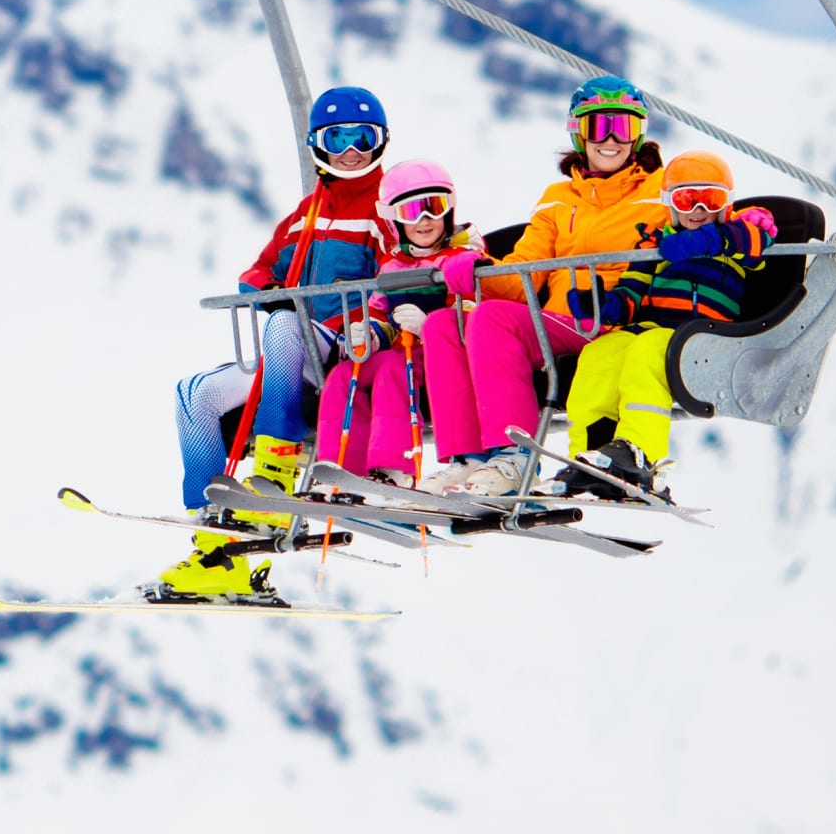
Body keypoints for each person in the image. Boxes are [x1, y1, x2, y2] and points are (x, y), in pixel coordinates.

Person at [151, 86, 394, 603]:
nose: (350, 149)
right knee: (195, 393)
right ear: (318, 146)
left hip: (342, 351)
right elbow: (260, 270)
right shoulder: (308, 212)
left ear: (381, 143)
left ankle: (274, 476)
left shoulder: (384, 209)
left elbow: (399, 277)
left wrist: (368, 322)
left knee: (284, 327)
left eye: (362, 137)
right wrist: (263, 289)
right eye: (337, 137)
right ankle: (213, 533)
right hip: (291, 352)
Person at [419, 75, 670, 496]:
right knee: (447, 324)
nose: (611, 139)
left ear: (639, 134)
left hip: (612, 320)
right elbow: (524, 274)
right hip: (560, 322)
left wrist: (749, 223)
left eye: (622, 127)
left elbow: (703, 207)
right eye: (597, 126)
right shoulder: (558, 197)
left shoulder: (659, 190)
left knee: (493, 318)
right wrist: (479, 270)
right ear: (577, 131)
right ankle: (470, 459)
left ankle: (516, 457)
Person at [549, 150, 776, 501]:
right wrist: (602, 309)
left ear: (726, 204)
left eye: (709, 199)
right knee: (599, 355)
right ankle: (592, 455)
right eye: (686, 200)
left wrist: (710, 241)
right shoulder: (655, 245)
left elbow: (760, 243)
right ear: (670, 204)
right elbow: (631, 295)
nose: (698, 211)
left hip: (707, 337)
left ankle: (639, 452)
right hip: (654, 328)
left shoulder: (738, 236)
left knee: (648, 351)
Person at [315, 159, 485, 479]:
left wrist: (431, 324)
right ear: (394, 221)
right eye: (411, 211)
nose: (424, 219)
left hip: (443, 356)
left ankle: (393, 466)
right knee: (344, 374)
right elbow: (381, 312)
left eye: (434, 207)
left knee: (394, 369)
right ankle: (340, 467)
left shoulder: (462, 259)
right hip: (401, 349)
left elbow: (473, 309)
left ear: (449, 210)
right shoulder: (392, 267)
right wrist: (372, 333)